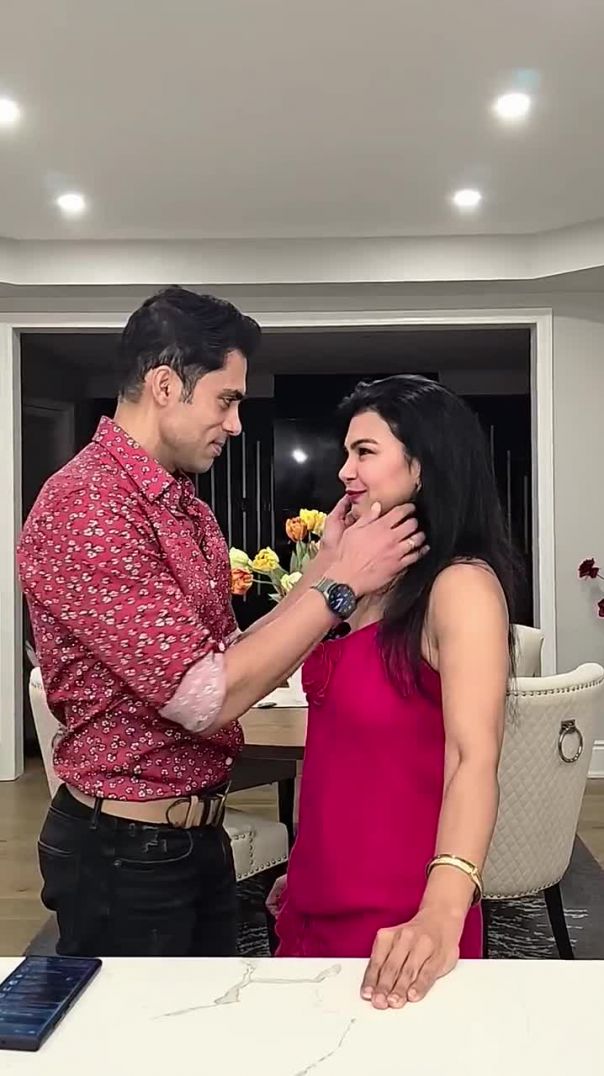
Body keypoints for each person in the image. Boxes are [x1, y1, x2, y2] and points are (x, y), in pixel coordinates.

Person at [17, 287, 425, 958]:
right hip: (124, 851)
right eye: (226, 400)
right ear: (165, 386)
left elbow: (225, 656)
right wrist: (343, 586)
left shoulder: (184, 508)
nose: (235, 423)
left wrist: (325, 569)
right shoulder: (90, 507)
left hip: (187, 835)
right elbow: (206, 697)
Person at [269, 374, 515, 1009]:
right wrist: (307, 867)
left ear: (423, 465)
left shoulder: (460, 587)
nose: (344, 471)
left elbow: (473, 759)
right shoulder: (363, 585)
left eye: (365, 452)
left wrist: (441, 913)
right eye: (345, 452)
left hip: (399, 924)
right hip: (312, 902)